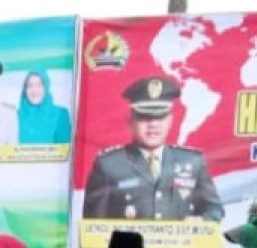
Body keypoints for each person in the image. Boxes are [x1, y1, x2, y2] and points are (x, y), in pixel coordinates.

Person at [82, 75, 223, 221]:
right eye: (144, 117)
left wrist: (200, 221)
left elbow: (214, 209)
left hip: (177, 243)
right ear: (131, 121)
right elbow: (93, 223)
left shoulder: (192, 162)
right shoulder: (109, 165)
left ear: (170, 120)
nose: (153, 125)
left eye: (160, 117)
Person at [17, 69, 71, 144]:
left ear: (46, 88)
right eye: (30, 85)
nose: (34, 90)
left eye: (39, 85)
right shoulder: (16, 116)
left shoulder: (60, 114)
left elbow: (65, 149)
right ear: (25, 90)